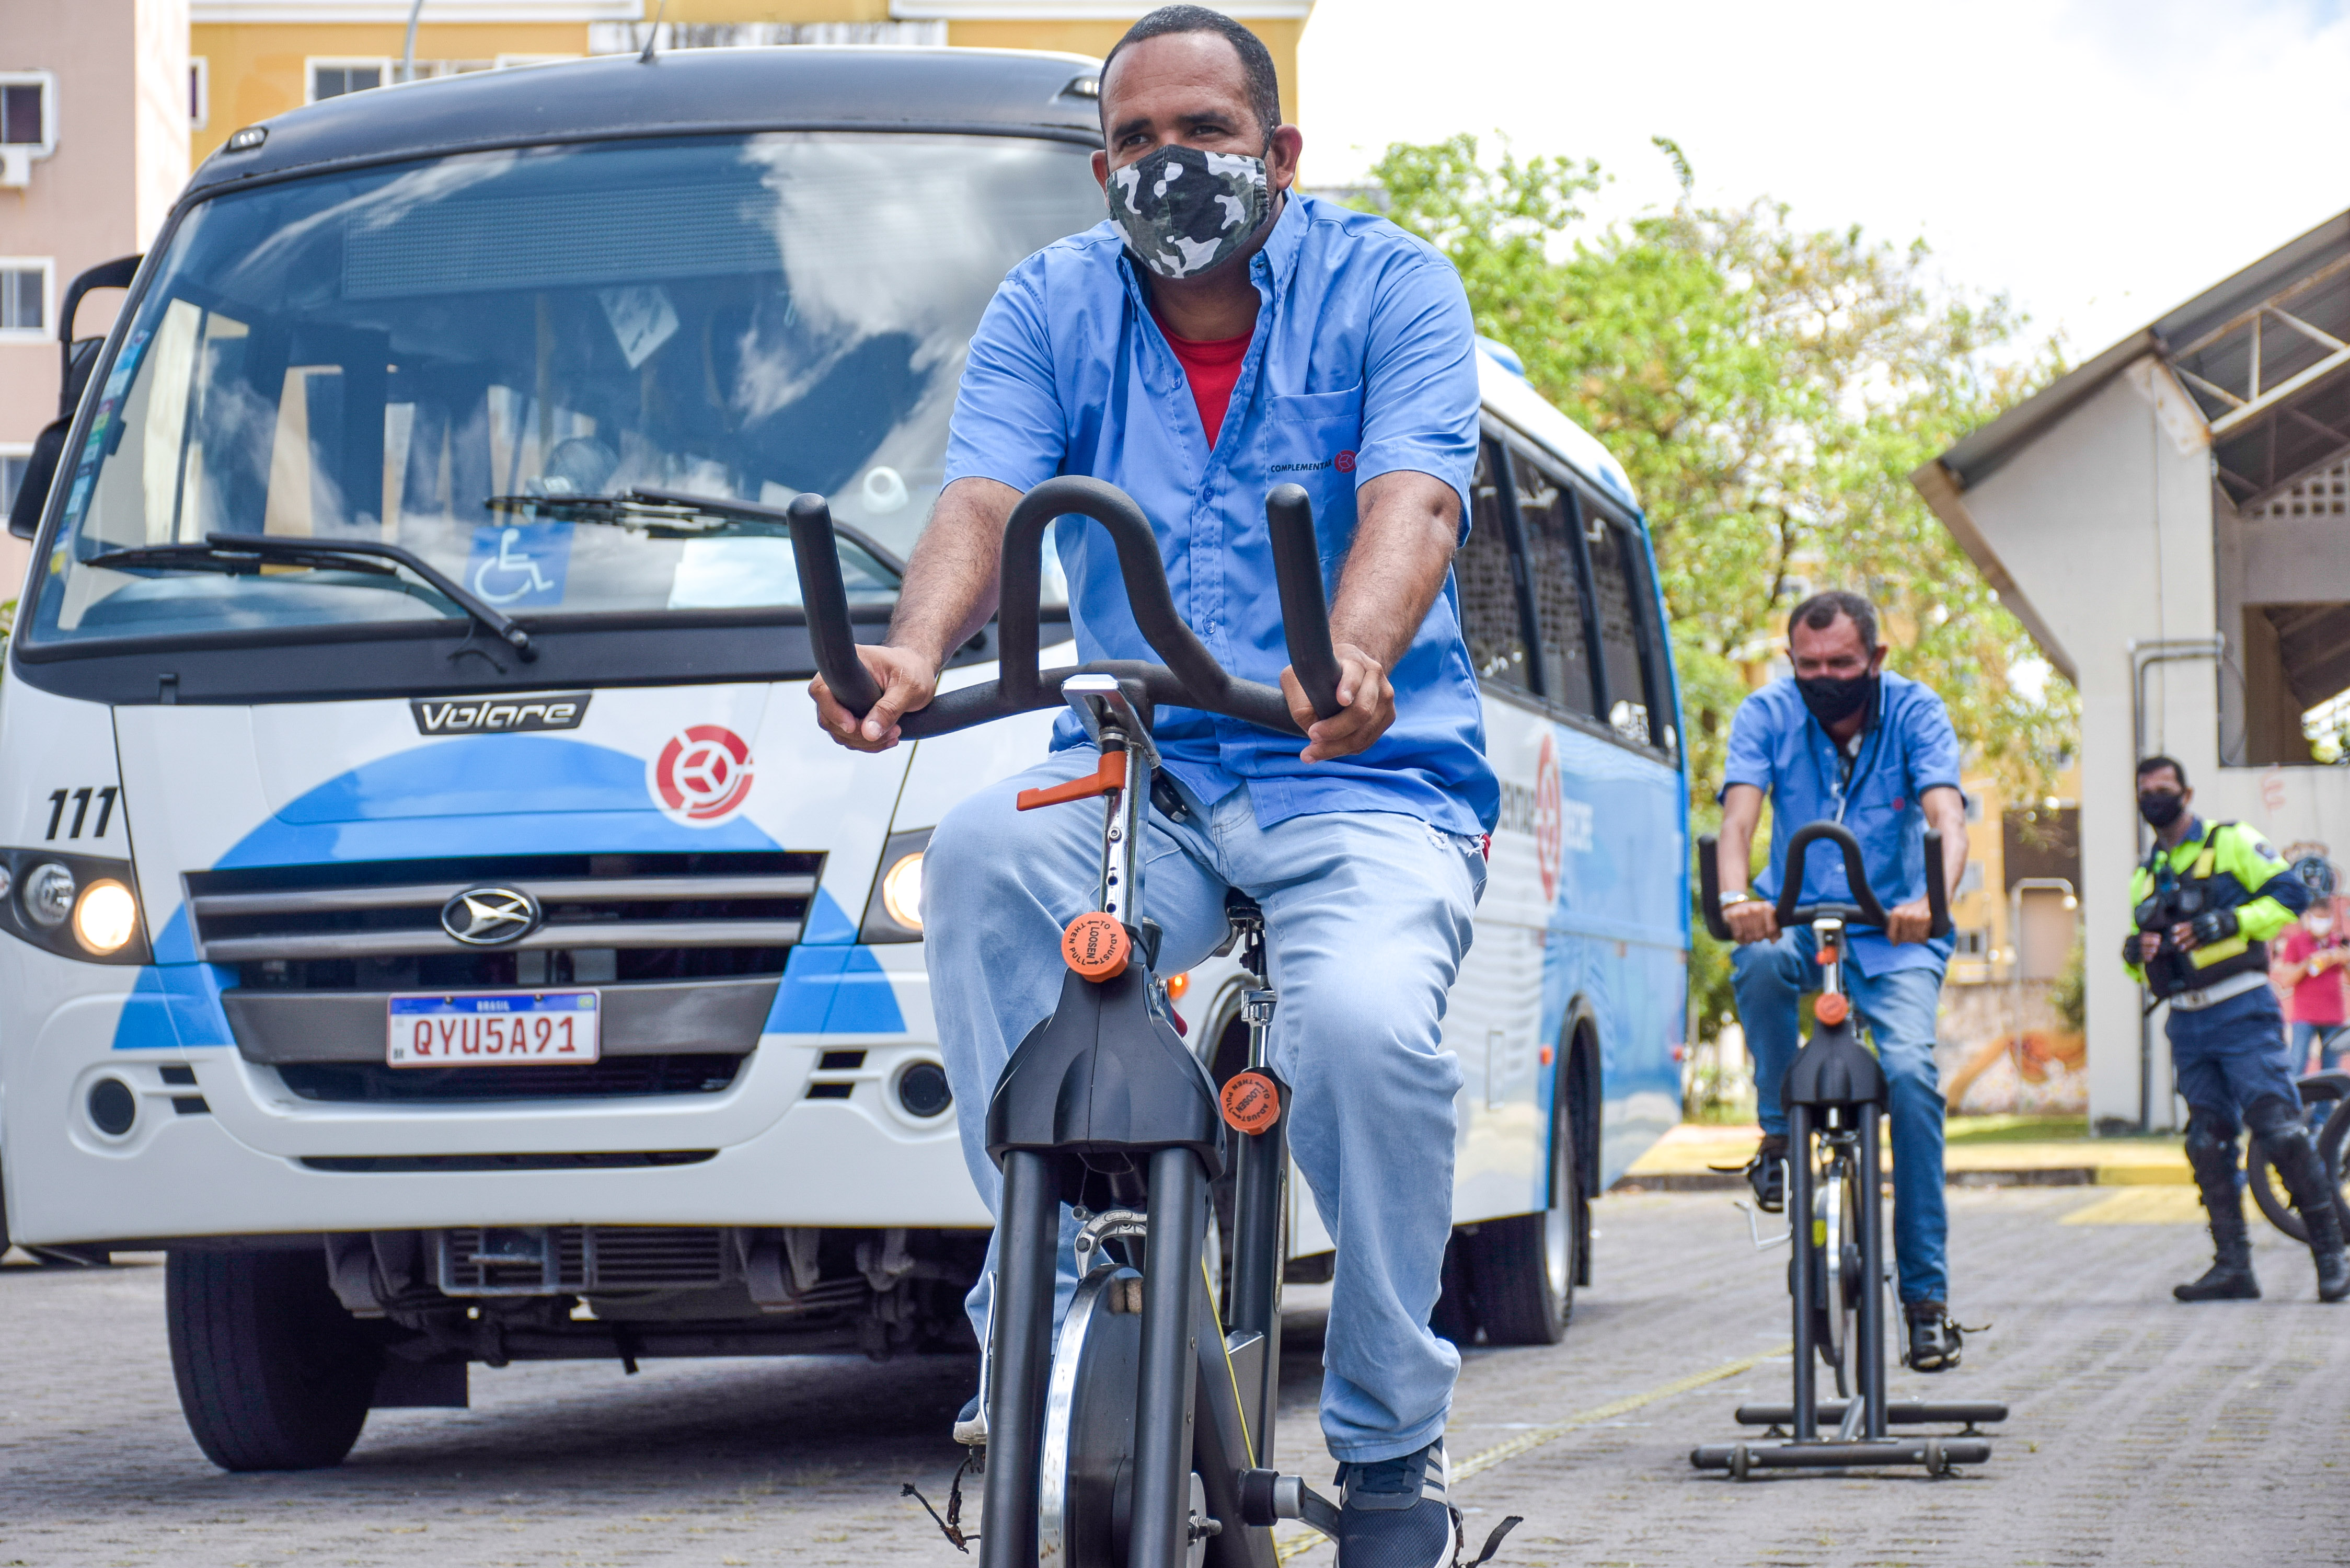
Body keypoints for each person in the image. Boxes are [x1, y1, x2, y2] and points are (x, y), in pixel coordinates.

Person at [808, 9, 1492, 1562]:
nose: (1171, 165)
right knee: (979, 856)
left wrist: (1357, 649)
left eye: (1207, 134)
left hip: (1357, 777)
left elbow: (1411, 496)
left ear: (1280, 154)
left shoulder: (1391, 284)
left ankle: (1391, 1454)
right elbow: (983, 498)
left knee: (1371, 1039)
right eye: (1137, 142)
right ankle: (1035, 1304)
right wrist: (910, 655)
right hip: (1147, 776)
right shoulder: (1051, 301)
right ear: (1100, 163)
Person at [1713, 591, 1972, 1371]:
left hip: (1895, 932)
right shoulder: (1766, 713)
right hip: (1796, 916)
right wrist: (1735, 900)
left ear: (1876, 661)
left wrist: (1934, 899)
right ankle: (1774, 1136)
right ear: (1792, 661)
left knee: (1913, 1080)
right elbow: (1737, 821)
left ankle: (1925, 1302)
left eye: (1842, 664)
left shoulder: (1917, 714)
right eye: (1810, 665)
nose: (1824, 678)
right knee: (1754, 961)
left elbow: (1948, 817)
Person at [2125, 758, 2345, 1301]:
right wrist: (2134, 954)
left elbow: (2290, 896)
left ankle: (2332, 1259)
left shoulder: (2231, 842)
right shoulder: (2145, 874)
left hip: (2242, 1008)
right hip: (2187, 1020)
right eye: (2144, 792)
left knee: (2279, 1130)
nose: (2154, 799)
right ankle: (2232, 1269)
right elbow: (2144, 964)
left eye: (2163, 790)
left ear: (2186, 793)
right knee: (2205, 1141)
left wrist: (2232, 921)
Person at [2272, 856, 2347, 1074]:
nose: (2321, 924)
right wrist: (2308, 964)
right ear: (2309, 918)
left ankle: (2326, 1110)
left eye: (2325, 919)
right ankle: (2296, 1108)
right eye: (2317, 918)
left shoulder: (2337, 943)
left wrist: (2342, 959)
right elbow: (2287, 979)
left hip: (2334, 1016)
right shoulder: (2298, 942)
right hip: (2304, 1017)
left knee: (2331, 1070)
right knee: (2297, 1065)